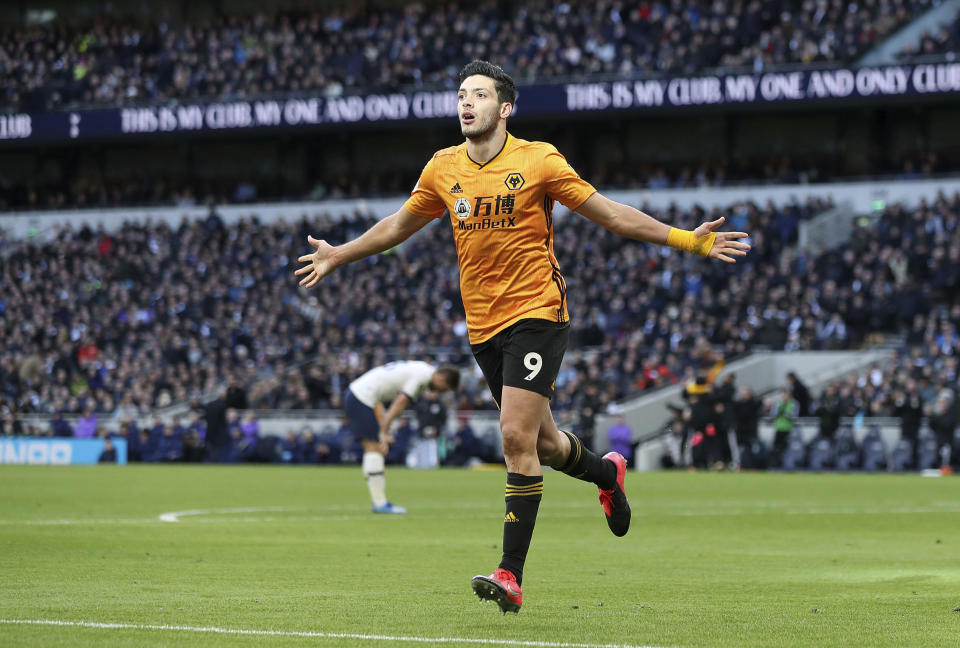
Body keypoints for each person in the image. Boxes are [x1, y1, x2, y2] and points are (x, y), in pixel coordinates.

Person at [295, 60, 750, 613]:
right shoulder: (442, 168)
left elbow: (610, 214)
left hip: (538, 312)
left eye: (479, 95)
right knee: (543, 444)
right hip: (483, 327)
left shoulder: (538, 160)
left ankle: (510, 574)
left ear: (504, 109)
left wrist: (687, 240)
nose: (466, 103)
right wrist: (340, 253)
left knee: (513, 437)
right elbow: (399, 224)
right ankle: (608, 473)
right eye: (461, 94)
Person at [343, 361, 460, 514]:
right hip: (362, 397)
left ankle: (379, 501)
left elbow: (398, 403)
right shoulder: (422, 377)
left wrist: (387, 428)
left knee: (373, 448)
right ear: (441, 377)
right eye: (443, 389)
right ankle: (380, 503)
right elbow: (399, 403)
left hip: (363, 396)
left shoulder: (422, 369)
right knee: (374, 448)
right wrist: (383, 431)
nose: (439, 392)